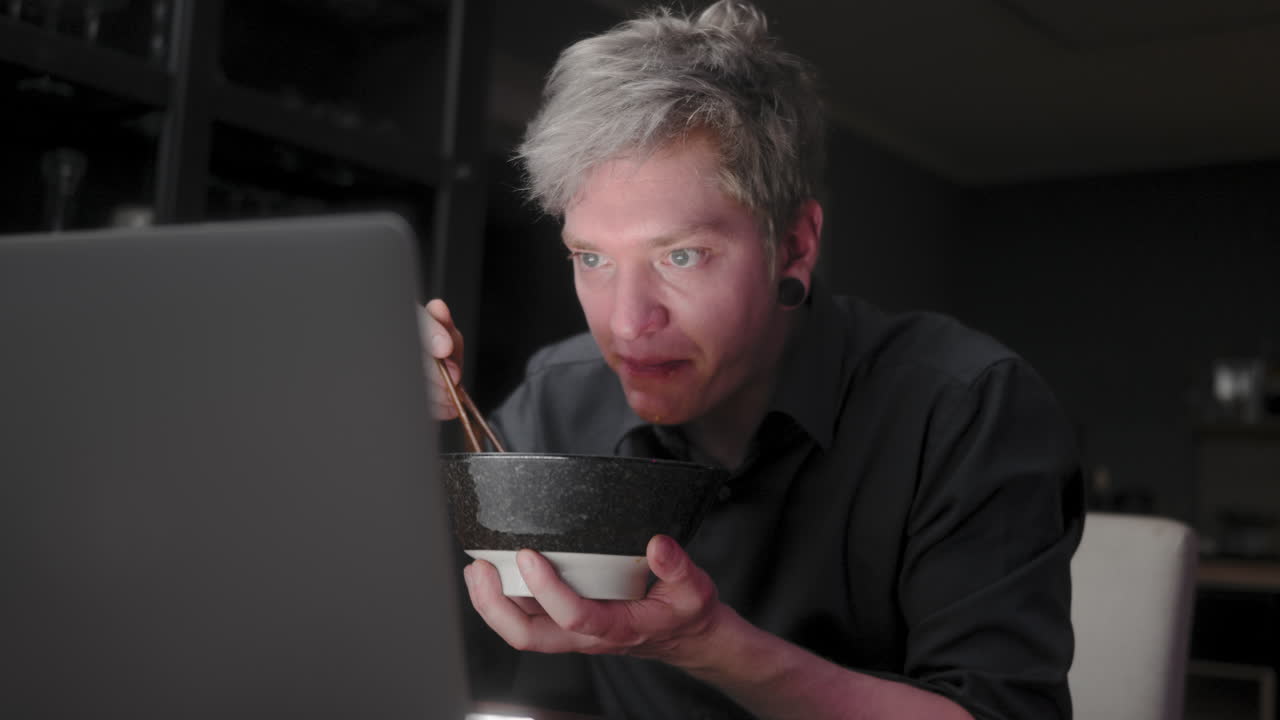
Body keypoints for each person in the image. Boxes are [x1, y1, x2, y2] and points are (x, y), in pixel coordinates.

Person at [424, 2, 1083, 718]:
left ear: (794, 245)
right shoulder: (557, 399)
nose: (626, 322)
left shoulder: (965, 409)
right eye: (591, 258)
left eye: (681, 255)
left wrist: (710, 643)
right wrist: (372, 430)